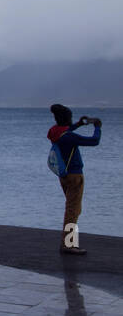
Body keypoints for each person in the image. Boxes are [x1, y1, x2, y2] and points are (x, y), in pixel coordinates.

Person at [47, 103, 102, 256]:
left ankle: (68, 242)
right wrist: (97, 127)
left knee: (73, 208)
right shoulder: (69, 137)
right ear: (67, 119)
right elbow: (94, 141)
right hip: (75, 175)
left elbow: (66, 131)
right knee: (72, 210)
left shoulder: (54, 132)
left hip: (63, 175)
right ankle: (69, 244)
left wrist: (78, 124)